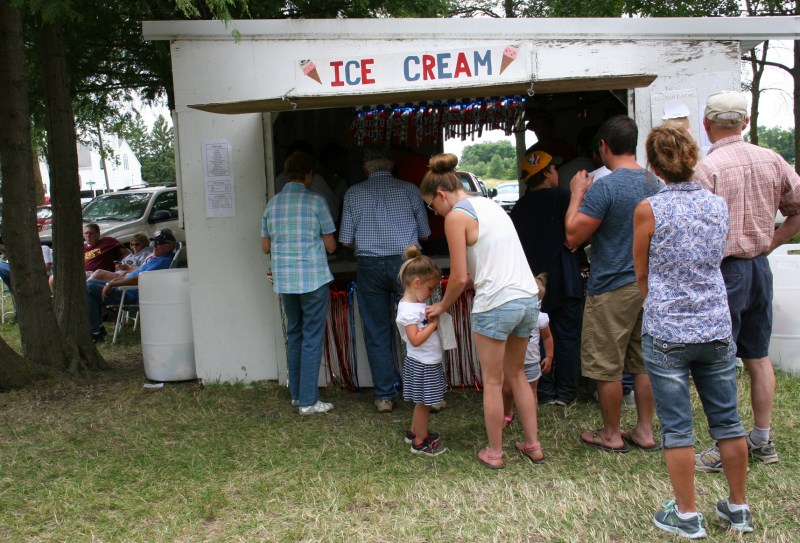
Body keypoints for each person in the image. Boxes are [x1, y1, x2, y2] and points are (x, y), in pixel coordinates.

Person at [634, 124, 752, 537]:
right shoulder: (718, 205)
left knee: (678, 427)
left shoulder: (649, 208)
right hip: (715, 324)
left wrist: (658, 301)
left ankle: (687, 515)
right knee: (727, 421)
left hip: (667, 328)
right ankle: (738, 508)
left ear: (653, 165)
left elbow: (642, 271)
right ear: (693, 158)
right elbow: (715, 258)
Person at [692, 91, 800, 471]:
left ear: (706, 124)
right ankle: (762, 439)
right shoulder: (771, 158)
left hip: (726, 271)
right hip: (759, 267)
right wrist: (771, 242)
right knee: (757, 356)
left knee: (720, 361)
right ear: (746, 122)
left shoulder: (708, 169)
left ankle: (726, 447)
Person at [421, 153, 541, 469]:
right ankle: (533, 444)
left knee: (491, 380)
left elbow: (460, 277)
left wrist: (442, 306)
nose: (435, 213)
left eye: (432, 206)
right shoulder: (491, 206)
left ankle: (494, 452)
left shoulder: (456, 217)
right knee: (517, 375)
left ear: (442, 194)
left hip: (496, 304)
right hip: (527, 297)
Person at [565, 115, 661, 453]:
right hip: (648, 285)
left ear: (603, 147)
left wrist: (577, 193)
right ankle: (645, 431)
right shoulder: (654, 183)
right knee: (642, 361)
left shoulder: (605, 186)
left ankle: (611, 433)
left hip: (611, 286)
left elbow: (573, 234)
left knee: (606, 364)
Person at [339, 144, 431, 413]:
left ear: (366, 168)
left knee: (377, 330)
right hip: (408, 264)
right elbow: (425, 234)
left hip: (369, 266)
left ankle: (384, 396)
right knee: (418, 324)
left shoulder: (354, 193)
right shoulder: (410, 189)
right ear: (391, 165)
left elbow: (346, 240)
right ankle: (426, 392)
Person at [262, 151, 337, 415]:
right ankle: (308, 400)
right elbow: (330, 246)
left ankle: (296, 394)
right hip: (313, 278)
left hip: (284, 280)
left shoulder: (273, 204)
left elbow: (264, 246)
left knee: (294, 333)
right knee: (312, 338)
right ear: (309, 175)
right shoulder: (316, 202)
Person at [511, 150, 583, 406]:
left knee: (538, 337)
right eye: (554, 169)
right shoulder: (564, 197)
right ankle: (566, 392)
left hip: (534, 282)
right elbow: (579, 231)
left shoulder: (520, 207)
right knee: (566, 337)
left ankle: (543, 390)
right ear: (546, 173)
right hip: (565, 278)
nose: (557, 174)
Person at [395, 245, 448, 456]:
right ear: (417, 282)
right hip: (423, 363)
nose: (432, 293)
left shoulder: (414, 305)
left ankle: (415, 431)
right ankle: (419, 441)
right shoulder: (409, 310)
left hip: (425, 361)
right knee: (424, 404)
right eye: (430, 288)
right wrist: (433, 325)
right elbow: (415, 339)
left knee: (422, 402)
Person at [85, 228, 177, 343]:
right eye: (154, 243)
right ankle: (96, 329)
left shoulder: (164, 261)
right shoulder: (157, 258)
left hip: (130, 293)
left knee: (88, 289)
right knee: (90, 284)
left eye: (159, 243)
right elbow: (138, 272)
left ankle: (95, 331)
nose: (155, 246)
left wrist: (113, 283)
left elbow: (141, 279)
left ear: (169, 246)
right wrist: (122, 276)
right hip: (125, 287)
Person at [501, 274, 553, 463]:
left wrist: (549, 356)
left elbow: (547, 338)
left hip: (531, 363)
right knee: (507, 390)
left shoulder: (540, 318)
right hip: (512, 363)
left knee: (531, 393)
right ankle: (507, 413)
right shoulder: (514, 316)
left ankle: (531, 422)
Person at [86, 232, 153, 283]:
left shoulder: (146, 254)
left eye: (137, 244)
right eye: (132, 244)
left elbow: (144, 269)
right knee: (85, 274)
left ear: (144, 244)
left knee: (98, 273)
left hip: (125, 277)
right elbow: (123, 265)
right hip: (118, 274)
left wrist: (128, 269)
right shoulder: (131, 255)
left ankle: (82, 293)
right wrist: (119, 266)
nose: (134, 246)